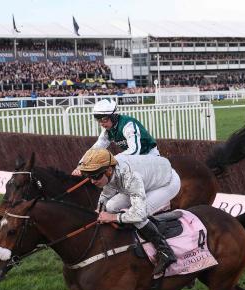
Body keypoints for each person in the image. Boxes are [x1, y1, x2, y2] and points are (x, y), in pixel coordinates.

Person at [77, 148, 180, 277]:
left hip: (166, 183)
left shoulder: (129, 176)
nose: (92, 181)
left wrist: (113, 217)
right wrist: (99, 210)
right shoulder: (111, 170)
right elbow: (107, 192)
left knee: (140, 215)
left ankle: (166, 252)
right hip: (144, 180)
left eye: (95, 176)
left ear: (109, 170)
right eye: (88, 176)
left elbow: (139, 214)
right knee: (110, 205)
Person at [71, 99, 159, 176]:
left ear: (114, 116)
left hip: (149, 157)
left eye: (104, 119)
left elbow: (135, 150)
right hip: (134, 161)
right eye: (98, 120)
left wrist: (110, 161)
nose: (101, 123)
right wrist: (81, 166)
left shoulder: (128, 125)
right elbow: (95, 149)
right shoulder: (108, 130)